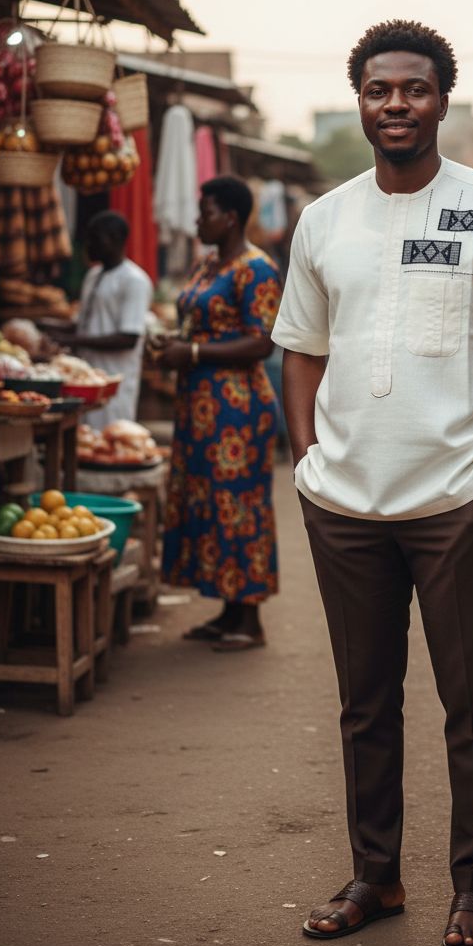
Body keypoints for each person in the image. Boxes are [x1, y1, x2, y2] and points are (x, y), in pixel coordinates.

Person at [272, 19, 473, 946]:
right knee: (364, 700)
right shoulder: (325, 219)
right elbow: (297, 347)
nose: (395, 104)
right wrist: (305, 458)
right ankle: (376, 876)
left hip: (458, 499)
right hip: (346, 504)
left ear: (442, 100)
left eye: (413, 89)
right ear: (361, 101)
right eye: (379, 89)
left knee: (470, 700)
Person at [156, 176, 281, 651]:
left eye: (204, 211)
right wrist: (175, 345)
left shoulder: (258, 270)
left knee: (238, 508)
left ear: (229, 217)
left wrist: (189, 354)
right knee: (208, 504)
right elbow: (195, 323)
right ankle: (228, 609)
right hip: (200, 406)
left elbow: (261, 340)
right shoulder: (208, 264)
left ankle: (249, 620)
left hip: (237, 410)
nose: (197, 220)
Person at [55, 210, 153, 429]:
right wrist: (52, 329)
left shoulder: (134, 280)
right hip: (84, 380)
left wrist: (75, 340)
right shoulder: (93, 275)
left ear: (115, 240)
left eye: (95, 239)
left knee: (110, 438)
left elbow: (128, 337)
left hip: (114, 381)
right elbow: (84, 324)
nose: (89, 245)